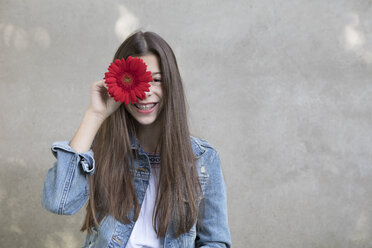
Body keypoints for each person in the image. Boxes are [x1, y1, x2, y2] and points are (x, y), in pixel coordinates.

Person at [41, 31, 231, 248]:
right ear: (119, 84)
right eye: (135, 81)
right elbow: (59, 203)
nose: (144, 92)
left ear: (171, 84)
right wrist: (95, 115)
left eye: (156, 80)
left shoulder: (203, 158)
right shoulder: (100, 151)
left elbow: (215, 242)